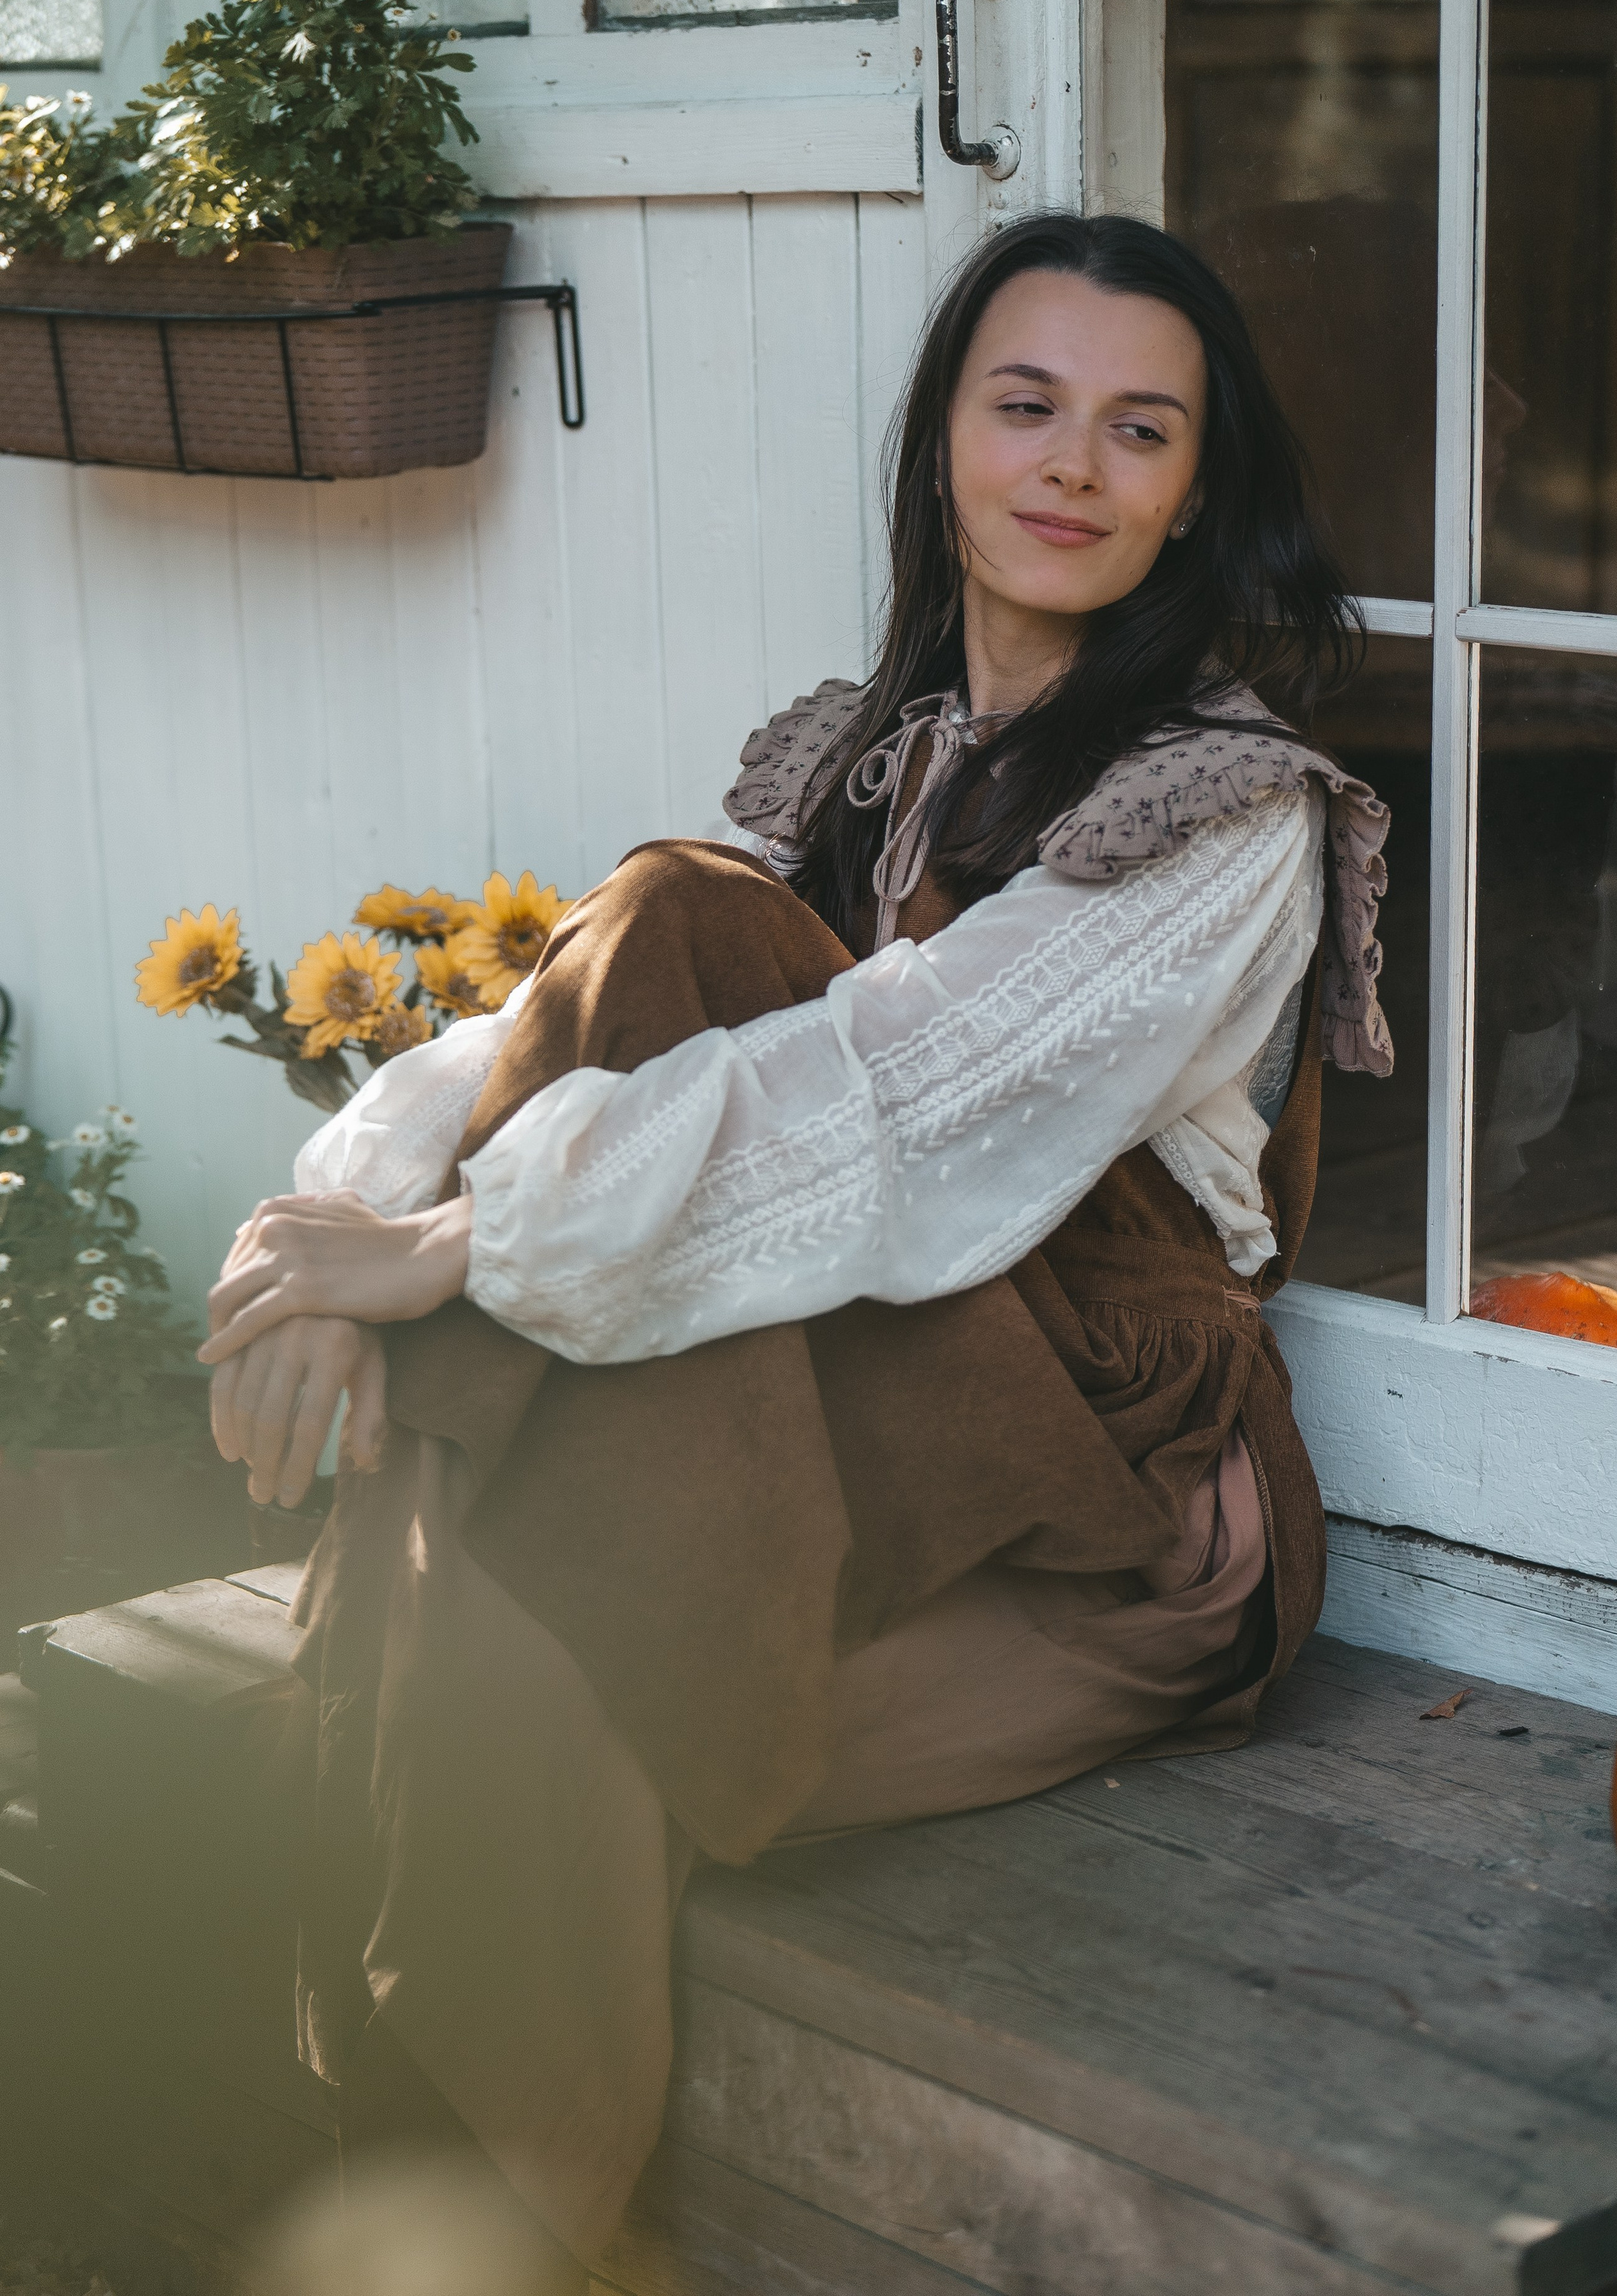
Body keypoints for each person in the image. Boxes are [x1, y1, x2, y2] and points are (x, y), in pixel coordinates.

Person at [199, 212, 1392, 2285]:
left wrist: (451, 1260)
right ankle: (504, 2226)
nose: (1073, 465)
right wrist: (340, 1236)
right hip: (837, 1407)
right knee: (664, 963)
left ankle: (466, 2216)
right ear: (944, 435)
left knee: (678, 976)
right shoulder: (860, 749)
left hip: (1114, 1489)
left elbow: (893, 1094)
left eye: (1139, 428)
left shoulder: (1220, 812)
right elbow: (536, 1024)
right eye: (1025, 405)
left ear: (1199, 488)